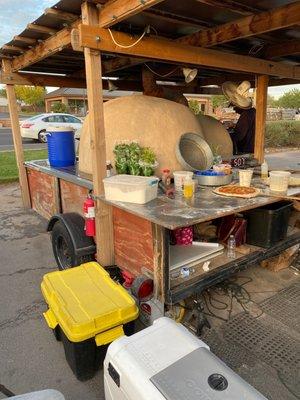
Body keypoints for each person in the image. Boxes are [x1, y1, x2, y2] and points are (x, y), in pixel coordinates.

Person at [222, 81, 256, 154]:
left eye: (234, 104)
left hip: (246, 150)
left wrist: (224, 136)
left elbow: (239, 135)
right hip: (251, 148)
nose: (233, 109)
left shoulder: (247, 114)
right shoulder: (252, 112)